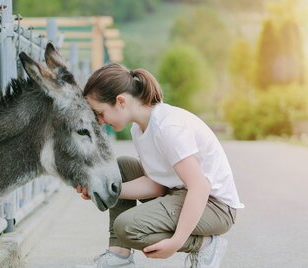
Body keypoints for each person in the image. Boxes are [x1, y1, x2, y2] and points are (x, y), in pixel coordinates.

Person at [76, 63, 244, 268]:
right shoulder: (139, 130)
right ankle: (119, 256)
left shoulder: (167, 127)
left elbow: (200, 186)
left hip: (214, 206)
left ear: (120, 101)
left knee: (127, 227)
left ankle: (206, 244)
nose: (100, 122)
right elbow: (156, 184)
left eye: (100, 113)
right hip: (181, 193)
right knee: (119, 169)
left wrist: (178, 241)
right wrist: (104, 189)